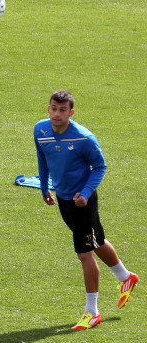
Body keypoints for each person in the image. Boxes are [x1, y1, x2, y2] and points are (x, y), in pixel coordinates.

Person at [34, 90, 139, 330]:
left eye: (62, 110)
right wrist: (44, 187)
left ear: (71, 112)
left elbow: (99, 166)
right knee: (95, 239)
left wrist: (85, 193)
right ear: (48, 108)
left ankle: (92, 312)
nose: (57, 114)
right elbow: (42, 157)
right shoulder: (40, 130)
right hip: (63, 197)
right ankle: (126, 277)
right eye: (53, 108)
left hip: (82, 200)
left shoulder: (84, 137)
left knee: (85, 252)